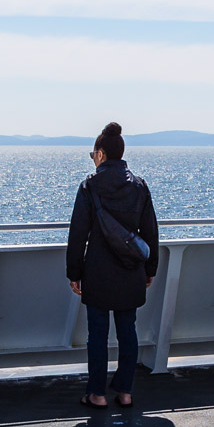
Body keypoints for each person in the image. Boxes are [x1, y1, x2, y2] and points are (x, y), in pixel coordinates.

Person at [65, 122, 160, 409]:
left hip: (97, 272)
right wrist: (150, 269)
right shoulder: (140, 187)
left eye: (92, 153)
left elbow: (77, 234)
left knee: (97, 335)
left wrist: (74, 273)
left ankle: (97, 393)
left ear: (102, 154)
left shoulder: (89, 186)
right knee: (127, 331)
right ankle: (125, 391)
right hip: (131, 270)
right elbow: (151, 232)